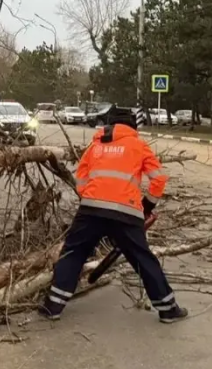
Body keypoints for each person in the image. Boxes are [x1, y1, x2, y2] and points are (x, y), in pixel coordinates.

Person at [40, 109, 189, 324]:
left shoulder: (95, 146)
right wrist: (146, 206)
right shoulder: (138, 145)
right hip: (126, 212)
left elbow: (81, 180)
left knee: (73, 252)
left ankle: (52, 306)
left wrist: (94, 200)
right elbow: (159, 179)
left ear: (108, 125)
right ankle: (168, 309)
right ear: (132, 127)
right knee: (142, 258)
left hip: (91, 209)